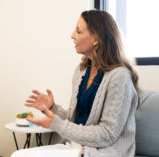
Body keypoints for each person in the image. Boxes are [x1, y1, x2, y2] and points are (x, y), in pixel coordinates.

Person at [12, 10, 139, 157]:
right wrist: (53, 108)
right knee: (19, 154)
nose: (72, 35)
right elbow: (75, 121)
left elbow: (107, 134)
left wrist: (57, 125)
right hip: (75, 146)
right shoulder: (81, 71)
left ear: (96, 39)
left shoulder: (119, 77)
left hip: (103, 151)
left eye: (78, 31)